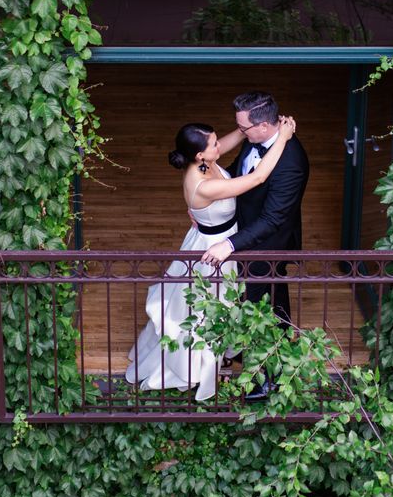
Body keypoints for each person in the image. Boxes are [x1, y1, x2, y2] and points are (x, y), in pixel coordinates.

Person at [125, 115, 296, 402]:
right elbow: (258, 178)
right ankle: (197, 370)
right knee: (206, 313)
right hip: (213, 249)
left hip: (214, 238)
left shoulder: (204, 161)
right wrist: (283, 138)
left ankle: (226, 353)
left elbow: (231, 141)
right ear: (200, 154)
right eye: (215, 143)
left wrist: (248, 128)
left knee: (223, 305)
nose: (221, 145)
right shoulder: (203, 185)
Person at [202, 91, 310, 332]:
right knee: (271, 291)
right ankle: (277, 342)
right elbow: (234, 173)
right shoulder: (255, 140)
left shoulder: (291, 163)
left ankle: (267, 355)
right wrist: (205, 201)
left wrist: (228, 244)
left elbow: (272, 219)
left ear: (263, 126)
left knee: (255, 297)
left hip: (267, 241)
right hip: (244, 224)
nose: (240, 132)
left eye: (243, 128)